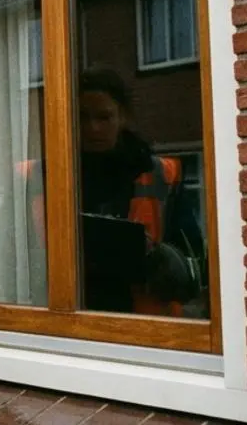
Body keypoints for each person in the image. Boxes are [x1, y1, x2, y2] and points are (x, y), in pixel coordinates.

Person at [73, 68, 204, 316]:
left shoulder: (161, 175)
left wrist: (154, 257)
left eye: (104, 118)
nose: (93, 128)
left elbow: (193, 267)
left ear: (122, 118)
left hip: (145, 329)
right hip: (70, 323)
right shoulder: (52, 174)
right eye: (83, 117)